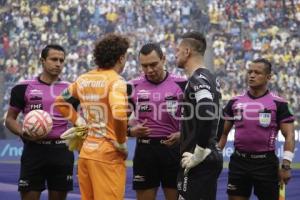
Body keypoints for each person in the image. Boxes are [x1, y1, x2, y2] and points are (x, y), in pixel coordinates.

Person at [54, 33, 130, 200]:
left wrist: (79, 121)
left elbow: (60, 102)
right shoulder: (116, 81)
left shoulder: (83, 79)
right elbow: (118, 114)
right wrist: (122, 142)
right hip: (108, 155)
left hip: (86, 154)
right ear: (121, 58)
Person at [218, 58, 295, 200]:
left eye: (257, 72)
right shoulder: (234, 102)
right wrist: (215, 157)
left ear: (268, 77)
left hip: (266, 164)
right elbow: (223, 133)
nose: (251, 75)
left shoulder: (279, 104)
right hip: (239, 163)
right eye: (249, 72)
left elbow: (289, 135)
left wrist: (286, 166)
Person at [5, 44, 75, 200]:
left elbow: (79, 122)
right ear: (43, 61)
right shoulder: (23, 87)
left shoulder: (71, 89)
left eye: (61, 60)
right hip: (34, 151)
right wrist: (22, 131)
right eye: (54, 59)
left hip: (61, 152)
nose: (58, 64)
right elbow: (10, 119)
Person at [127, 43, 186, 200]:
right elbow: (117, 120)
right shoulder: (132, 86)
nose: (149, 70)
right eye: (144, 66)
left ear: (163, 59)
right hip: (145, 151)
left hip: (173, 151)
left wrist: (182, 134)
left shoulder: (182, 84)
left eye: (153, 64)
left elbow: (197, 120)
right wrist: (130, 131)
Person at [175, 31, 223, 200]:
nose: (176, 54)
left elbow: (207, 111)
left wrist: (200, 152)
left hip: (198, 160)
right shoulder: (211, 78)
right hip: (208, 156)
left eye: (178, 50)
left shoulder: (198, 78)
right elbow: (221, 117)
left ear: (187, 51)